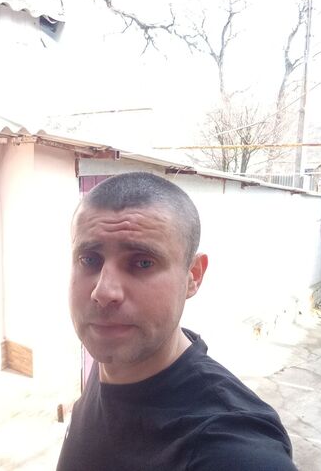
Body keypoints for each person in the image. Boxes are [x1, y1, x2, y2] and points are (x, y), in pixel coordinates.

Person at [56, 172, 298, 471]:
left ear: (193, 276)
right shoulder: (115, 359)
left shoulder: (232, 450)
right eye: (89, 259)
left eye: (142, 262)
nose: (103, 292)